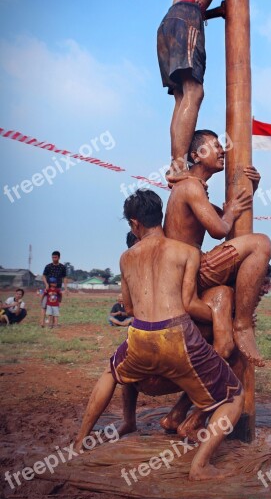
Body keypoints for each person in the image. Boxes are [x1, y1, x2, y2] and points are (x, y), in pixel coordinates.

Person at [74, 189, 244, 481]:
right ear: (159, 217)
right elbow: (190, 304)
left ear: (134, 224)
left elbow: (127, 306)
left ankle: (80, 441)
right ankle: (200, 466)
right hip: (178, 336)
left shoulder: (126, 257)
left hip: (139, 336)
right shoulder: (186, 252)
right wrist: (221, 316)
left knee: (111, 371)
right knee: (234, 397)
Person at [164, 129, 271, 366]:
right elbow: (220, 229)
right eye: (215, 146)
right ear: (197, 154)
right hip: (188, 272)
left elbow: (230, 221)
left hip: (187, 272)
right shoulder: (191, 187)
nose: (223, 150)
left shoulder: (195, 188)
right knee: (261, 243)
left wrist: (251, 188)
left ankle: (205, 387)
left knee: (224, 296)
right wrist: (231, 212)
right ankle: (242, 325)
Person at [157, 0, 264, 177]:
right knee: (195, 93)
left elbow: (184, 5)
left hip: (167, 24)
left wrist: (219, 11)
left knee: (181, 98)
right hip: (188, 18)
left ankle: (176, 164)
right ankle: (178, 165)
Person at [42, 251, 67, 328]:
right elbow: (43, 276)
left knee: (55, 305)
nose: (54, 258)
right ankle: (42, 322)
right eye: (53, 257)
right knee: (44, 305)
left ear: (59, 257)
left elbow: (65, 277)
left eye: (55, 257)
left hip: (58, 289)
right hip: (48, 289)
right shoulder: (48, 266)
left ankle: (53, 324)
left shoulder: (62, 267)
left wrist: (66, 288)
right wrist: (46, 284)